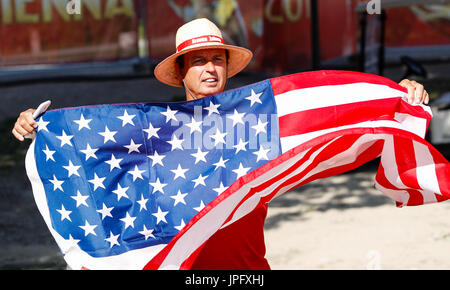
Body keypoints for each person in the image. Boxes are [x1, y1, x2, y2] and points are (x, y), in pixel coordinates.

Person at [11, 18, 430, 269]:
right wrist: (38, 127)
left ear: (228, 67)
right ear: (181, 71)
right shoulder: (155, 136)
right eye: (198, 61)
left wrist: (396, 99)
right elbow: (90, 156)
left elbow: (329, 123)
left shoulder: (257, 121)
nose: (210, 69)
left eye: (217, 59)